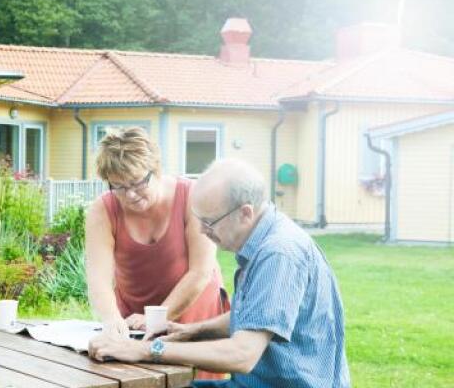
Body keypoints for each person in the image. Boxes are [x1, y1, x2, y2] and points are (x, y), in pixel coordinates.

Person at [88, 158, 350, 388]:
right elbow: (256, 316)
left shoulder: (278, 254)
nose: (202, 231)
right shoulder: (264, 240)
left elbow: (242, 355)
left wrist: (144, 349)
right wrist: (192, 330)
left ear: (245, 213)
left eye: (209, 222)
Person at [85, 127, 229, 379]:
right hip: (135, 318)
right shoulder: (102, 211)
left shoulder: (192, 196)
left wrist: (159, 318)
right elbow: (99, 279)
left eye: (137, 182)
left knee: (195, 381)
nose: (129, 194)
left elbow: (200, 272)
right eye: (118, 186)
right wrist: (112, 320)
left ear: (156, 170)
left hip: (194, 310)